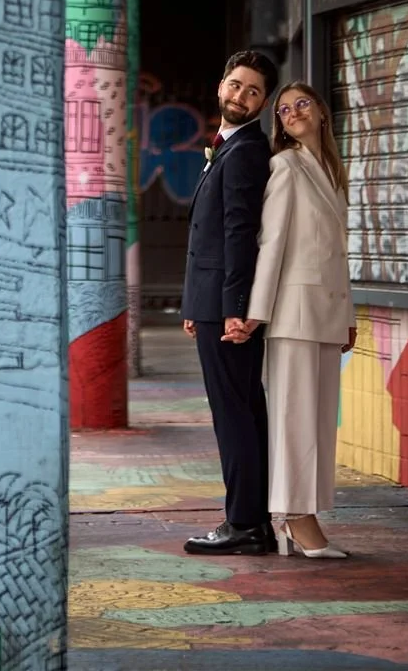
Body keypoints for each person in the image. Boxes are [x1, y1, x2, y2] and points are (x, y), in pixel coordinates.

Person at [233, 80, 356, 558]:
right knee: (295, 422)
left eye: (302, 103)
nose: (293, 112)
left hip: (326, 314)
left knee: (319, 424)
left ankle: (306, 514)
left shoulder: (332, 171)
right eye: (283, 109)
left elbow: (338, 256)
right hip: (293, 315)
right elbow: (272, 245)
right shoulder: (285, 166)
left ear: (321, 111)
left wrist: (348, 315)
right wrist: (256, 313)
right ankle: (293, 517)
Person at [180, 48, 278, 556]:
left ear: (263, 103)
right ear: (222, 85)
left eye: (253, 91)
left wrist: (234, 308)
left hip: (227, 310)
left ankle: (244, 524)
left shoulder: (245, 152)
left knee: (234, 413)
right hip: (213, 304)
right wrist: (193, 305)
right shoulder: (228, 147)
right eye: (236, 85)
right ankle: (253, 520)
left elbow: (240, 234)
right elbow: (207, 235)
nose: (241, 95)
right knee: (242, 410)